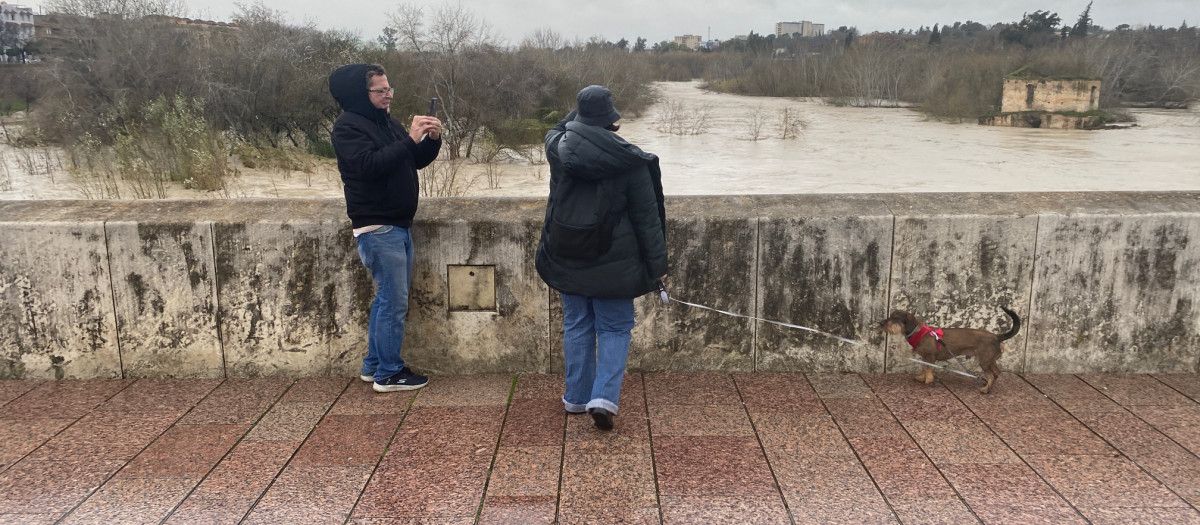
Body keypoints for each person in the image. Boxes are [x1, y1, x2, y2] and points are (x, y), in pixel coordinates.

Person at [535, 85, 668, 431]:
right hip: (615, 264)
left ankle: (576, 398)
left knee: (578, 324)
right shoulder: (631, 161)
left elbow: (556, 130)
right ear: (612, 120)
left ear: (579, 118)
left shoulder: (558, 150)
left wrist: (579, 113)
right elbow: (648, 221)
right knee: (613, 327)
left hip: (568, 255)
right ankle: (603, 399)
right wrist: (658, 270)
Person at [328, 63, 442, 392]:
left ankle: (374, 364)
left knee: (385, 300)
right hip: (378, 227)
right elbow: (369, 166)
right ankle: (389, 373)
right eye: (380, 90)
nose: (388, 95)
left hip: (396, 223)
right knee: (393, 302)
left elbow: (411, 159)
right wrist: (409, 138)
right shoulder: (348, 127)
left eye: (389, 88)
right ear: (359, 95)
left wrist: (430, 140)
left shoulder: (384, 121)